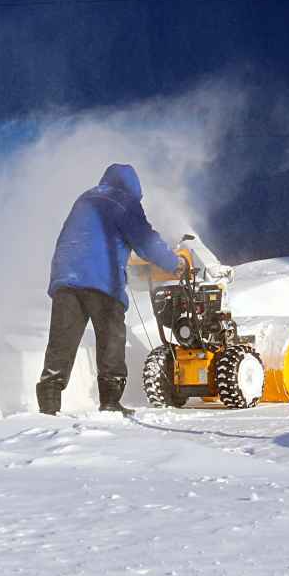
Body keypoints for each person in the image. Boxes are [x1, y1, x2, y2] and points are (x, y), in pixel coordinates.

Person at [37, 163, 184, 415]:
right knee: (111, 339)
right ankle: (110, 401)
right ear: (133, 188)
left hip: (65, 276)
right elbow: (146, 241)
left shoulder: (86, 198)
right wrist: (174, 264)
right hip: (101, 279)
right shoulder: (123, 202)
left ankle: (49, 406)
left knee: (62, 341)